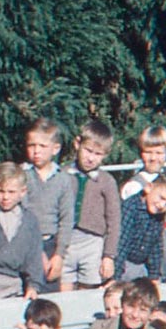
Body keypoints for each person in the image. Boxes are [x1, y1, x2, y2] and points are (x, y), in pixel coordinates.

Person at [60, 120, 121, 291]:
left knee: (88, 290)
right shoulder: (63, 175)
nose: (90, 158)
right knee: (64, 289)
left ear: (105, 155)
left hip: (93, 243)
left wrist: (108, 255)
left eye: (98, 154)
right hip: (67, 240)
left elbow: (114, 221)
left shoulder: (107, 181)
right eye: (87, 150)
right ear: (77, 144)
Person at [21, 118, 74, 292]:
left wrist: (58, 255)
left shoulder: (63, 179)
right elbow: (23, 213)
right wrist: (37, 252)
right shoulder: (23, 176)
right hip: (27, 242)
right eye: (31, 145)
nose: (36, 151)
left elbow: (66, 220)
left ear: (55, 149)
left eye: (42, 146)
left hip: (52, 244)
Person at [120, 125, 166, 246]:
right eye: (148, 152)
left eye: (159, 153)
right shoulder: (134, 186)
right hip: (140, 244)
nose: (153, 158)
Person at [0, 163, 46, 300]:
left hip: (15, 284)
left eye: (11, 192)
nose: (5, 197)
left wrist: (33, 285)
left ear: (22, 192)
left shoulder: (29, 221)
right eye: (0, 191)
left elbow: (34, 257)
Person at [116, 173, 166, 281]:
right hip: (123, 263)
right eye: (161, 198)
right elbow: (122, 243)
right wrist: (115, 276)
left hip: (140, 265)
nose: (161, 205)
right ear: (148, 188)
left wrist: (154, 275)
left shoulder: (158, 216)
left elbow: (156, 246)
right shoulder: (131, 207)